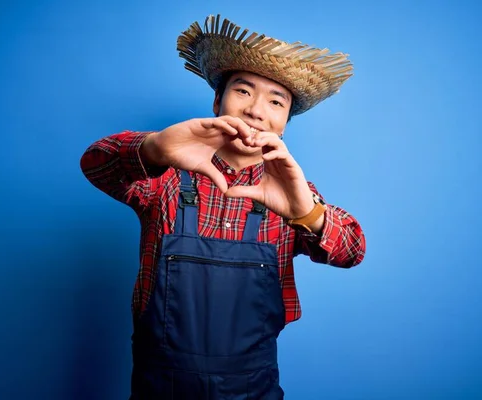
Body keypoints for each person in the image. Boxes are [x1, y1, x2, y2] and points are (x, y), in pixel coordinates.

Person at [80, 14, 366, 400]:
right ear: (218, 101)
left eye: (276, 101)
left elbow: (352, 251)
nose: (256, 111)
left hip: (254, 389)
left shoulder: (293, 194)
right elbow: (97, 164)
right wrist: (154, 148)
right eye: (243, 91)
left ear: (284, 123)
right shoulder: (164, 177)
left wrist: (307, 212)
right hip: (160, 389)